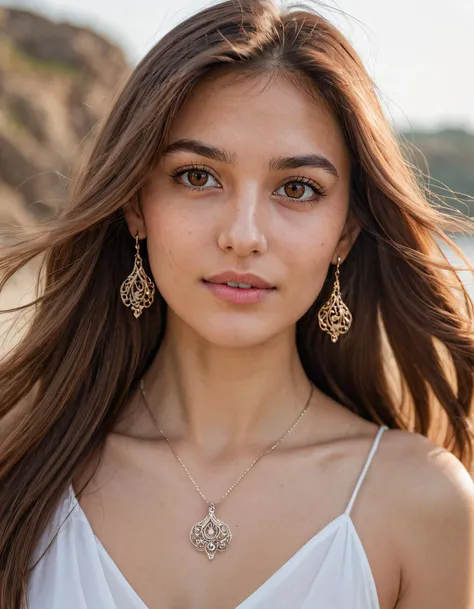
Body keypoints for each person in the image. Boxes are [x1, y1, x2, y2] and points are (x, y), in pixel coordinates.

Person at [0, 0, 473, 607]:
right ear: (136, 206)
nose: (244, 235)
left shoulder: (420, 501)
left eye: (297, 188)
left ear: (346, 233)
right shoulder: (22, 463)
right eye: (198, 176)